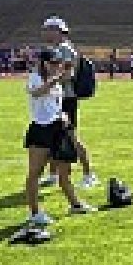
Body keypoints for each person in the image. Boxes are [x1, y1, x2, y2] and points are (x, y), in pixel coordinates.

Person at [21, 45, 95, 228]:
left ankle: (75, 205)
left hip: (58, 127)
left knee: (65, 172)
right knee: (35, 173)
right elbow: (37, 92)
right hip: (41, 129)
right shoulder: (35, 77)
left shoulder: (57, 80)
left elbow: (53, 102)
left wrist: (62, 114)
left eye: (58, 63)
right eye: (53, 63)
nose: (57, 66)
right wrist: (57, 78)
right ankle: (35, 213)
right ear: (43, 63)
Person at [41, 16, 98, 189]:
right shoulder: (59, 48)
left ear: (57, 31)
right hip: (59, 97)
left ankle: (89, 174)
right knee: (55, 136)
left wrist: (47, 81)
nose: (44, 33)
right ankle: (53, 174)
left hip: (66, 98)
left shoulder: (65, 50)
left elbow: (67, 75)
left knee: (71, 136)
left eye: (47, 30)